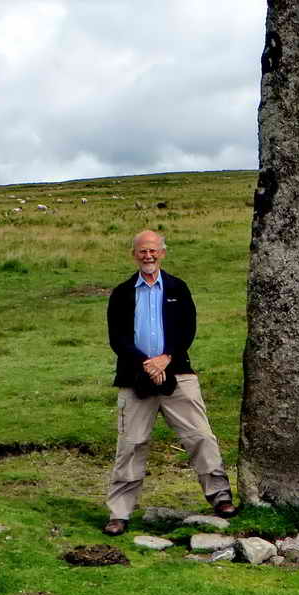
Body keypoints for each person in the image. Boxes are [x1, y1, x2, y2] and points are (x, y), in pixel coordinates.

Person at [101, 229, 235, 535]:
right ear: (133, 254)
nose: (148, 256)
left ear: (163, 252)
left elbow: (187, 329)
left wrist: (166, 358)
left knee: (200, 435)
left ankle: (220, 497)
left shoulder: (177, 287)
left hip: (178, 374)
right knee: (131, 445)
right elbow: (118, 337)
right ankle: (119, 514)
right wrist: (145, 364)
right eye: (142, 251)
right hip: (135, 377)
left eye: (153, 251)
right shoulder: (122, 293)